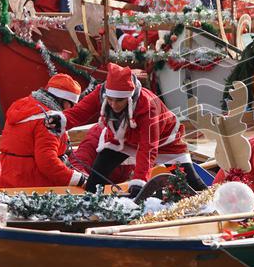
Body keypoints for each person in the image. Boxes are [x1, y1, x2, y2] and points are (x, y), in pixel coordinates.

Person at [64, 63, 188, 192]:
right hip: (122, 140)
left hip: (166, 141)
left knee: (189, 181)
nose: (113, 105)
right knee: (94, 181)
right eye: (110, 100)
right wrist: (61, 120)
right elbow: (80, 111)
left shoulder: (148, 106)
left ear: (130, 98)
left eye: (119, 101)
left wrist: (139, 180)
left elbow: (148, 148)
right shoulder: (101, 92)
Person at [0, 74, 88, 188]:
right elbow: (47, 162)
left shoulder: (24, 105)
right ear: (63, 101)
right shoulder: (49, 120)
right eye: (72, 105)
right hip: (30, 182)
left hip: (6, 178)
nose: (71, 110)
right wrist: (79, 179)